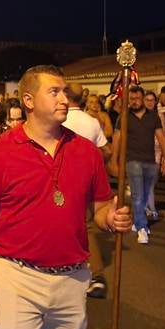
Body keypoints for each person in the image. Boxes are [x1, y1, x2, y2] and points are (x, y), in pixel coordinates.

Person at [0, 65, 132, 329]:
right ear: (28, 101)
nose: (64, 99)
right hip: (17, 278)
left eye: (64, 91)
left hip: (73, 279)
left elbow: (101, 208)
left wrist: (111, 218)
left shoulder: (87, 152)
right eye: (54, 92)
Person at [61, 83, 111, 297]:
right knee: (86, 225)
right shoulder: (91, 122)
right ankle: (94, 273)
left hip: (60, 177)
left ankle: (86, 273)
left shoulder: (60, 119)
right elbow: (105, 151)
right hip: (87, 178)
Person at [112, 86, 165, 245]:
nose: (134, 102)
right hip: (132, 160)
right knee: (137, 195)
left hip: (150, 161)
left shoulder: (153, 116)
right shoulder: (123, 117)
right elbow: (117, 138)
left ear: (143, 98)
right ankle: (142, 227)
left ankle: (138, 219)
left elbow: (161, 138)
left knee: (144, 194)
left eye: (137, 98)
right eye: (131, 99)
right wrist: (114, 160)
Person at [143, 90, 165, 220]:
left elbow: (161, 134)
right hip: (142, 151)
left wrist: (164, 157)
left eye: (152, 100)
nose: (150, 103)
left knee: (151, 182)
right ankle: (150, 207)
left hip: (156, 152)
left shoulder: (160, 115)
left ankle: (149, 206)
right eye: (147, 100)